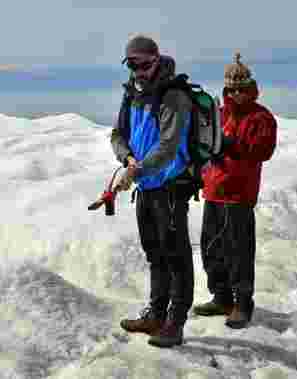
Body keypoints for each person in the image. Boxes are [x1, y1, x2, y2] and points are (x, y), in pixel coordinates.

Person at [110, 35, 195, 348]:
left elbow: (169, 146)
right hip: (145, 185)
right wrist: (127, 158)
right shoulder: (132, 93)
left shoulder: (173, 95)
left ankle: (176, 322)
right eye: (133, 65)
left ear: (157, 60)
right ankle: (156, 314)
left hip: (170, 187)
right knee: (155, 254)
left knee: (177, 256)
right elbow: (118, 134)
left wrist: (136, 170)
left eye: (145, 64)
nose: (140, 71)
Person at [193, 52, 277, 329]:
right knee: (211, 247)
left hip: (239, 194)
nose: (237, 93)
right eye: (232, 89)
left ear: (250, 88)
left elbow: (263, 151)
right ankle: (221, 297)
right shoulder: (219, 114)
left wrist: (231, 145)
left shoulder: (261, 118)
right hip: (214, 190)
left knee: (238, 251)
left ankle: (243, 303)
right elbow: (205, 143)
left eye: (241, 88)